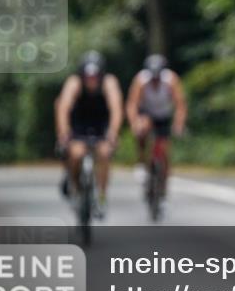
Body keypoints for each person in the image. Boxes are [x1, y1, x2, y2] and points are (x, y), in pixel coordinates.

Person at [55, 50, 123, 219]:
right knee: (76, 154)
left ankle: (101, 196)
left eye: (95, 76)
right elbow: (63, 107)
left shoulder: (109, 83)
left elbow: (116, 109)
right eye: (88, 76)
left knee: (105, 153)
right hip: (79, 124)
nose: (91, 80)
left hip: (101, 125)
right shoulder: (74, 83)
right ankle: (75, 186)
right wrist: (64, 133)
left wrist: (113, 132)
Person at [126, 54, 187, 200]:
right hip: (147, 113)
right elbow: (132, 104)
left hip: (163, 116)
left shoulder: (171, 80)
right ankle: (141, 161)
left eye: (157, 77)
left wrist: (178, 124)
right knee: (142, 128)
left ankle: (163, 186)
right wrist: (134, 123)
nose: (154, 80)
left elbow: (180, 104)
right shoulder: (141, 80)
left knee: (164, 150)